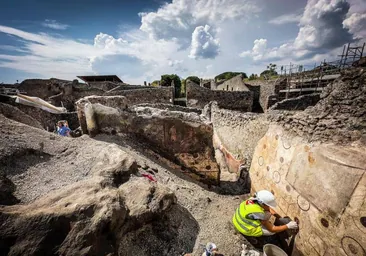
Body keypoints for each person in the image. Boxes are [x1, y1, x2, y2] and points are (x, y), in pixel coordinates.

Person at [232, 190, 298, 237]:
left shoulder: (253, 199)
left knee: (267, 214)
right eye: (267, 204)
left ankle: (264, 223)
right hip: (244, 228)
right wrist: (288, 226)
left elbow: (268, 209)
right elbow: (272, 229)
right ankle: (254, 235)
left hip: (236, 219)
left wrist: (279, 218)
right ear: (263, 203)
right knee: (272, 233)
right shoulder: (258, 212)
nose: (269, 206)